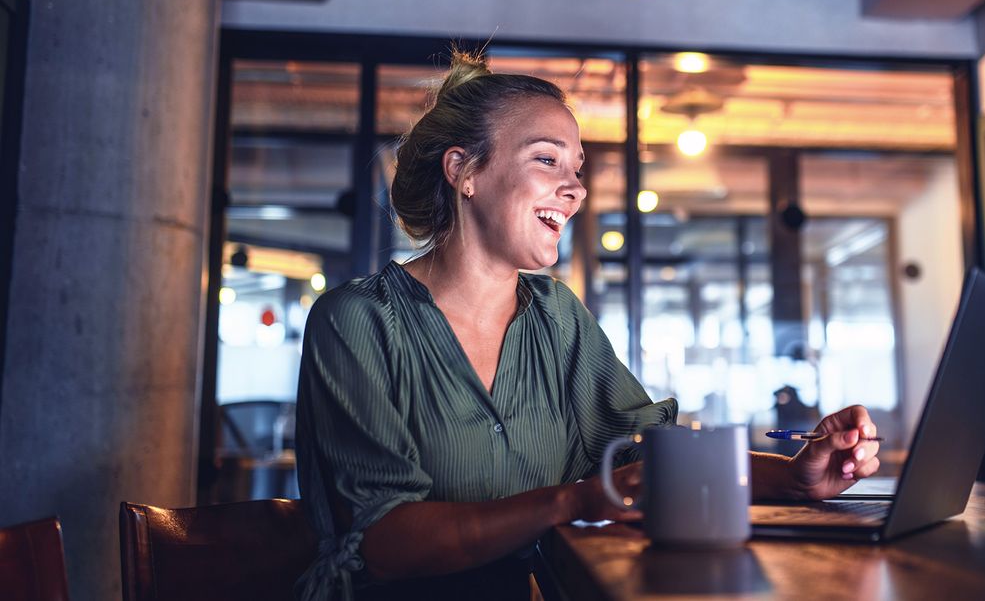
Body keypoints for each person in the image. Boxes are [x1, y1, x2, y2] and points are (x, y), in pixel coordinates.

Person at [294, 51, 880, 600]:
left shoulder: (557, 316)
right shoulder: (357, 322)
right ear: (463, 171)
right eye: (546, 159)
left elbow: (645, 460)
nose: (573, 189)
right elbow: (386, 542)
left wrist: (793, 478)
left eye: (576, 168)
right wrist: (573, 499)